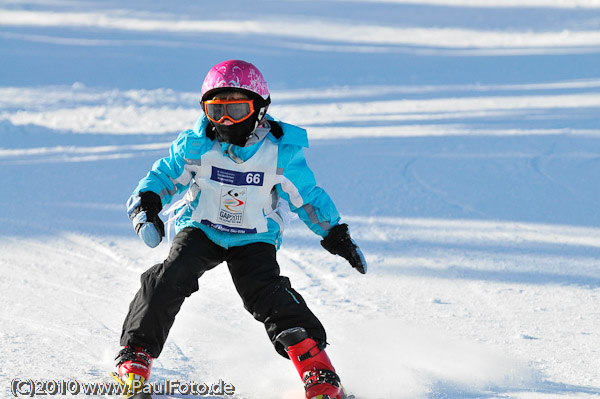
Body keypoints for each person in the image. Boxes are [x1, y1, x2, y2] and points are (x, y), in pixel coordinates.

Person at [114, 59, 367, 399]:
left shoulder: (279, 152)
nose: (226, 121)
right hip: (202, 227)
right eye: (216, 110)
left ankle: (317, 370)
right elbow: (163, 176)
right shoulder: (197, 145)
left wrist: (335, 234)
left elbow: (306, 197)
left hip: (255, 234)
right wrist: (147, 205)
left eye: (236, 108)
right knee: (170, 276)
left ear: (260, 109)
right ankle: (135, 356)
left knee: (265, 292)